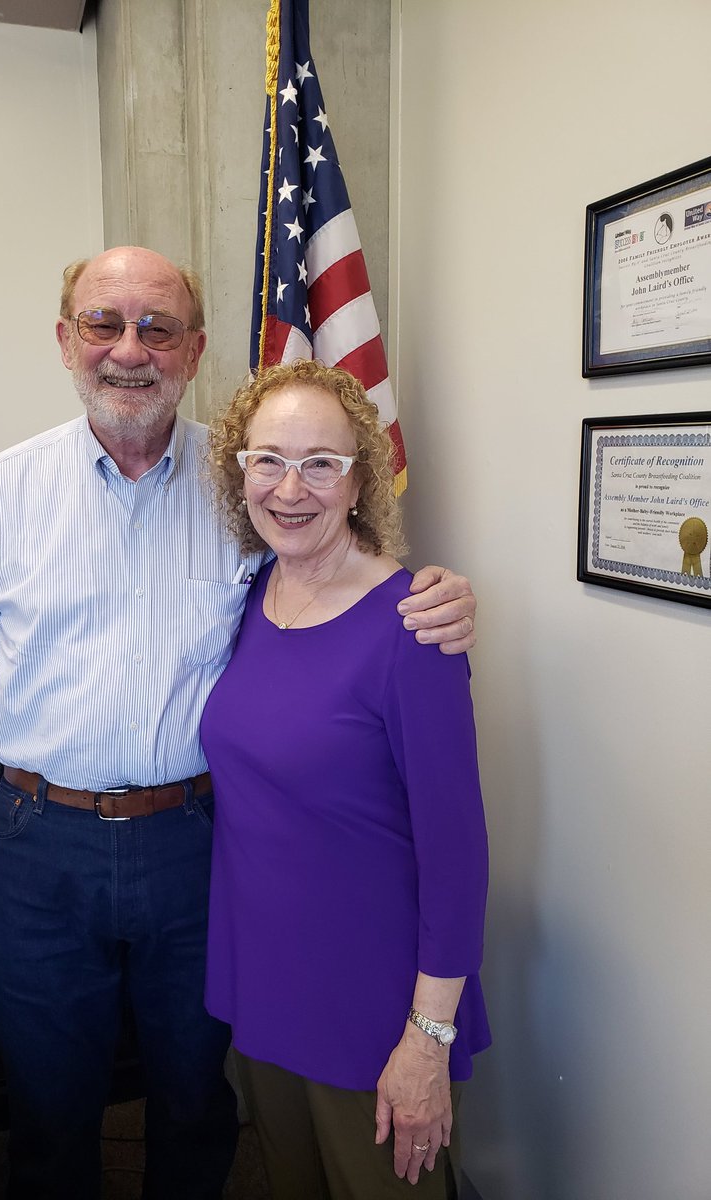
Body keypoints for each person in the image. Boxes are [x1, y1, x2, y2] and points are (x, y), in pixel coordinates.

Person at [0, 246, 478, 1200]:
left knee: (195, 1103)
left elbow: (332, 584)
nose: (128, 349)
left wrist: (439, 595)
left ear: (195, 348)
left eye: (157, 327)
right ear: (66, 341)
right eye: (104, 323)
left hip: (198, 852)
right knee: (47, 1116)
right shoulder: (4, 492)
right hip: (35, 848)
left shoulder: (243, 486)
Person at [202, 358, 490, 1200]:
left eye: (321, 463)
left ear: (361, 480)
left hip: (377, 1009)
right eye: (269, 459)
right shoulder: (251, 596)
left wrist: (425, 1040)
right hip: (265, 985)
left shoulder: (412, 629)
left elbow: (458, 856)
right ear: (240, 470)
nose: (292, 488)